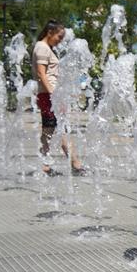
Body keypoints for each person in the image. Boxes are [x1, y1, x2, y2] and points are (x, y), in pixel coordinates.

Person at [32, 21, 83, 175]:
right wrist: (53, 96)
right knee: (55, 129)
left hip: (49, 94)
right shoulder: (42, 48)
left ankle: (56, 164)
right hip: (49, 95)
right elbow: (41, 74)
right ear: (50, 32)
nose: (60, 40)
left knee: (55, 129)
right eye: (59, 36)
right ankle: (72, 163)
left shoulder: (45, 48)